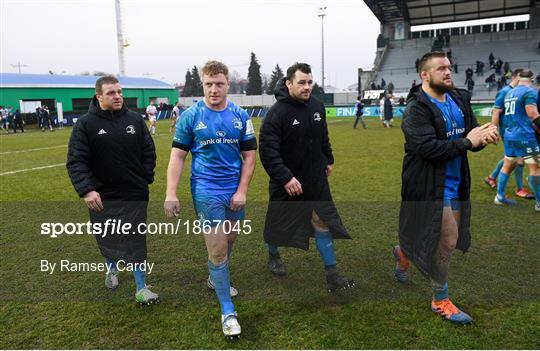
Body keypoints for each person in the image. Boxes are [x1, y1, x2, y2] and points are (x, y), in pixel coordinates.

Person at [393, 51, 499, 325]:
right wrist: (468, 142)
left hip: (457, 181)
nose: (448, 72)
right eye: (441, 68)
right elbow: (426, 148)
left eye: (449, 67)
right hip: (427, 184)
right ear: (424, 75)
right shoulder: (416, 109)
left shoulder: (460, 97)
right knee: (448, 240)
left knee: (439, 235)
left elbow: (471, 133)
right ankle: (440, 299)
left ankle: (404, 251)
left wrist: (484, 135)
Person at [164, 60, 257, 339]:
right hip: (205, 189)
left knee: (229, 241)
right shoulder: (190, 116)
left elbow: (250, 156)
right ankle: (228, 311)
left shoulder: (241, 116)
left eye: (219, 84)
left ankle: (214, 277)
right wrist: (171, 193)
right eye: (208, 84)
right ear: (202, 85)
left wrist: (242, 191)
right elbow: (177, 156)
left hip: (234, 189)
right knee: (217, 249)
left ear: (228, 84)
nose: (213, 89)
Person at [258, 62, 355, 292]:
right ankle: (273, 255)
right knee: (277, 224)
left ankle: (332, 275)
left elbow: (323, 137)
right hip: (287, 182)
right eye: (301, 82)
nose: (307, 87)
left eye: (309, 82)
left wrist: (328, 159)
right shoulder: (276, 114)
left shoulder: (317, 106)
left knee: (322, 221)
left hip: (315, 179)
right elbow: (268, 151)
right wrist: (285, 178)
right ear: (289, 83)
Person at [66, 75, 158, 304]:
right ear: (99, 96)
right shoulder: (85, 125)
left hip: (134, 193)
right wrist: (87, 190)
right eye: (111, 93)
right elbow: (76, 161)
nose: (117, 96)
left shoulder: (135, 120)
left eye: (119, 91)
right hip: (102, 196)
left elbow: (149, 151)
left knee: (136, 239)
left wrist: (144, 177)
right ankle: (111, 269)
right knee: (108, 238)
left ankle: (141, 287)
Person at [494, 69, 540, 211]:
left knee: (508, 165)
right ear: (531, 80)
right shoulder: (529, 91)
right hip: (525, 136)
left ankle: (500, 196)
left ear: (518, 78)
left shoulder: (510, 92)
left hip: (510, 135)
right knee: (536, 167)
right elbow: (532, 113)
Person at [484, 68, 533, 199]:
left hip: (515, 130)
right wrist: (493, 129)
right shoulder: (504, 92)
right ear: (517, 77)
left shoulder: (516, 92)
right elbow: (496, 111)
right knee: (518, 160)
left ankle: (491, 177)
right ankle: (519, 189)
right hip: (510, 131)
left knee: (510, 159)